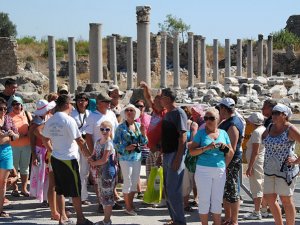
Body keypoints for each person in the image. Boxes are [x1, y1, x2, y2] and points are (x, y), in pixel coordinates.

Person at [42, 94, 93, 225]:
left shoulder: (50, 120)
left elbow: (45, 138)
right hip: (68, 159)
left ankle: (62, 218)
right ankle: (80, 219)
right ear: (66, 105)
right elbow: (80, 140)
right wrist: (89, 157)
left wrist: (51, 150)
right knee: (75, 190)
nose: (72, 107)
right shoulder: (68, 120)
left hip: (56, 158)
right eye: (70, 104)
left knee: (60, 189)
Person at [189, 107, 234, 225]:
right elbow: (192, 151)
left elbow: (231, 152)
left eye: (211, 118)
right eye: (206, 118)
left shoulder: (223, 133)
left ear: (217, 119)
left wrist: (225, 148)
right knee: (204, 200)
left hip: (219, 170)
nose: (208, 120)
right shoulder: (201, 133)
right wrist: (206, 148)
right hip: (203, 169)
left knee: (217, 201)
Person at [262, 103, 300, 225]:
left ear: (285, 115)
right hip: (269, 169)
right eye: (273, 112)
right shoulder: (269, 127)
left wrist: (296, 161)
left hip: (285, 171)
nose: (274, 115)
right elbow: (263, 139)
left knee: (286, 199)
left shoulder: (291, 129)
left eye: (277, 113)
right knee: (270, 198)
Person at [85, 91, 121, 212]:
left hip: (111, 149)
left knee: (112, 176)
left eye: (109, 101)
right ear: (99, 103)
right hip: (98, 150)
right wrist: (91, 153)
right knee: (98, 179)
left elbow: (116, 130)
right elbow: (88, 136)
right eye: (106, 102)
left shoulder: (111, 114)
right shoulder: (92, 116)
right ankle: (101, 202)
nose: (109, 104)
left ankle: (110, 201)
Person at [113, 104, 147, 216]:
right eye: (127, 110)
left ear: (135, 113)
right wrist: (125, 148)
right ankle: (128, 207)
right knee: (127, 181)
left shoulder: (138, 125)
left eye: (131, 110)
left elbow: (144, 142)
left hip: (136, 157)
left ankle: (131, 205)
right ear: (124, 113)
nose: (129, 112)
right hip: (125, 158)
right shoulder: (120, 127)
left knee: (133, 182)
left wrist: (143, 132)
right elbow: (115, 143)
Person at [160, 88, 187, 225]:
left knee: (174, 189)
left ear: (169, 98)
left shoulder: (179, 113)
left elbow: (183, 137)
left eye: (162, 97)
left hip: (175, 155)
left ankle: (180, 221)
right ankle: (174, 218)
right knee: (167, 188)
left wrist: (178, 158)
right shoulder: (167, 113)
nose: (160, 99)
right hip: (167, 154)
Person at [218, 98, 244, 225]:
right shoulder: (228, 121)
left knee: (232, 191)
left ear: (224, 109)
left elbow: (231, 149)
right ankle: (228, 218)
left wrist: (224, 165)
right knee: (226, 190)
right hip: (226, 160)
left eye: (220, 109)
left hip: (230, 161)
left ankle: (234, 220)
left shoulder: (233, 124)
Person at [29, 99, 56, 213]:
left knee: (48, 175)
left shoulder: (47, 118)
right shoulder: (35, 123)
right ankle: (45, 198)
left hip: (47, 149)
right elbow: (32, 140)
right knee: (43, 175)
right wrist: (34, 155)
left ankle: (47, 198)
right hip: (40, 150)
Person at [89, 121, 116, 225]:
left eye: (107, 129)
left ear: (110, 130)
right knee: (103, 196)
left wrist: (93, 163)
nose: (104, 131)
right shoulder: (97, 141)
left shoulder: (109, 143)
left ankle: (107, 220)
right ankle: (106, 219)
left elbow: (104, 160)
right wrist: (91, 159)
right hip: (100, 172)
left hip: (108, 172)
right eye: (102, 129)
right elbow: (94, 154)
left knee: (107, 196)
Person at [243, 112, 267, 220]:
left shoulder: (257, 132)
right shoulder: (264, 129)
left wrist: (250, 167)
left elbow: (255, 151)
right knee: (261, 185)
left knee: (256, 186)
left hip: (256, 163)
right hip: (261, 162)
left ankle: (257, 212)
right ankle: (263, 209)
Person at [9, 96, 32, 197]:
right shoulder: (8, 116)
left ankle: (24, 188)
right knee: (13, 168)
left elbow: (32, 126)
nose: (16, 106)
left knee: (25, 167)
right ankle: (15, 189)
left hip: (26, 145)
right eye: (14, 104)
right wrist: (20, 135)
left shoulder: (27, 114)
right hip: (13, 146)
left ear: (22, 105)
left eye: (18, 104)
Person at [71, 93, 91, 205]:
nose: (81, 102)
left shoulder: (90, 114)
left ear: (87, 102)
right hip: (74, 144)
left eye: (83, 100)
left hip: (86, 143)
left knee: (84, 171)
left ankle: (83, 196)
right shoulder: (72, 114)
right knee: (75, 170)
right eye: (79, 100)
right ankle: (72, 197)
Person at [0, 97, 19, 217]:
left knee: (3, 182)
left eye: (5, 108)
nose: (3, 111)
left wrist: (11, 135)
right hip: (5, 148)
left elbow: (17, 136)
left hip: (6, 151)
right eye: (0, 108)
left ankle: (0, 209)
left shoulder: (9, 118)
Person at [181, 106, 198, 212]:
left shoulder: (193, 125)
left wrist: (182, 145)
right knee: (184, 182)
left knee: (190, 181)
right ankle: (184, 203)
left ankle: (188, 202)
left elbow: (194, 141)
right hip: (179, 155)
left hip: (189, 156)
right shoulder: (177, 124)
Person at [134, 99, 151, 199]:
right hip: (137, 146)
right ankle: (139, 191)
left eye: (141, 106)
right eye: (137, 106)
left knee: (150, 170)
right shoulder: (133, 118)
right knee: (137, 170)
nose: (139, 108)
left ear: (144, 107)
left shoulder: (149, 117)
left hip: (148, 146)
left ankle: (150, 190)